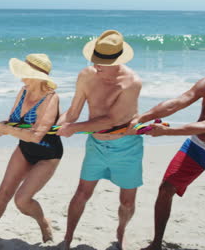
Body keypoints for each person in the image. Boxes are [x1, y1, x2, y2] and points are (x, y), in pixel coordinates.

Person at [56, 30, 142, 249]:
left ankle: (121, 232)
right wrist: (53, 126)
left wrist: (73, 129)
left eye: (103, 62)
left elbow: (111, 120)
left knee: (127, 201)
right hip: (96, 145)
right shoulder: (86, 75)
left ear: (118, 61)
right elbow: (73, 112)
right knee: (82, 193)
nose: (97, 65)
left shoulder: (131, 83)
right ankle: (67, 238)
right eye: (95, 60)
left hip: (126, 146)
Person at [128, 75, 205, 250]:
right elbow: (178, 102)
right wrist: (141, 118)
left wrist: (166, 131)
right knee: (166, 188)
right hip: (196, 146)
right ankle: (156, 243)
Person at [0, 54, 62, 243]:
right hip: (25, 149)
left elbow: (36, 135)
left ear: (40, 77)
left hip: (48, 154)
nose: (21, 76)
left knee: (22, 201)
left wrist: (7, 130)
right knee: (3, 192)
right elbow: (13, 123)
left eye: (26, 72)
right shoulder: (23, 90)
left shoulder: (51, 98)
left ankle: (42, 221)